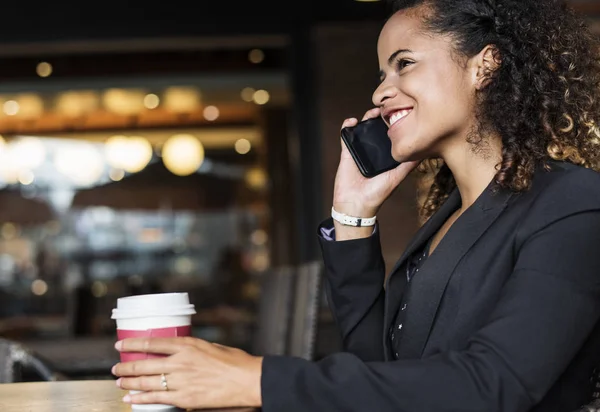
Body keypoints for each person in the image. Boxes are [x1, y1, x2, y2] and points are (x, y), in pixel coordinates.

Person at [111, 0, 600, 410]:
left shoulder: (573, 206)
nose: (381, 91)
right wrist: (353, 214)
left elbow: (495, 383)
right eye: (381, 72)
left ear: (484, 66)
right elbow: (379, 370)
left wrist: (258, 381)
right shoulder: (448, 220)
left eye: (404, 63)